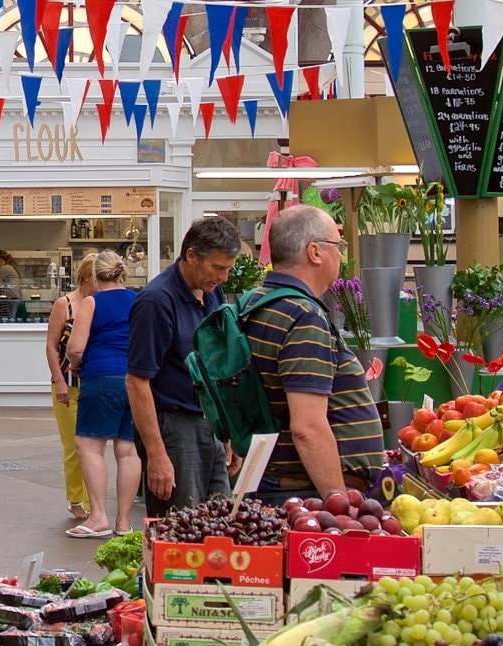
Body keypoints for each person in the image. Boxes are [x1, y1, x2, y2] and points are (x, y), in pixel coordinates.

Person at [245, 205, 388, 502]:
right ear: (314, 252)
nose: (342, 255)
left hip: (278, 480)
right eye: (338, 245)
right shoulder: (302, 315)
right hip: (303, 490)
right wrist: (339, 502)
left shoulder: (258, 302)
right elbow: (307, 428)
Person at [128, 214, 243, 512]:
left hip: (210, 424)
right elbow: (137, 381)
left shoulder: (212, 292)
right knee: (181, 523)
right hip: (174, 427)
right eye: (218, 267)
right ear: (191, 255)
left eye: (228, 269)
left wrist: (228, 433)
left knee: (221, 519)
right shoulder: (156, 301)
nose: (223, 278)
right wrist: (156, 454)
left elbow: (217, 368)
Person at [66, 251, 142, 538]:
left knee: (89, 445)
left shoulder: (91, 302)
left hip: (100, 376)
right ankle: (124, 522)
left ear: (95, 276)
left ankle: (98, 516)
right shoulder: (138, 300)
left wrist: (75, 367)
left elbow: (75, 348)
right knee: (129, 450)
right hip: (134, 379)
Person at [43, 281, 90, 522]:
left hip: (94, 384)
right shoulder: (65, 305)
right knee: (74, 445)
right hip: (68, 384)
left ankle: (94, 501)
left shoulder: (98, 305)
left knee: (94, 446)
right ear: (86, 278)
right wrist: (59, 381)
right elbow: (51, 346)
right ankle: (76, 500)